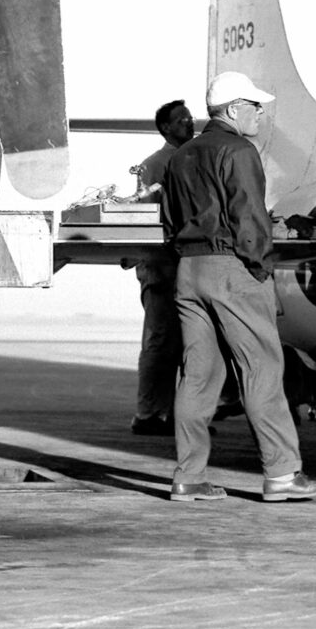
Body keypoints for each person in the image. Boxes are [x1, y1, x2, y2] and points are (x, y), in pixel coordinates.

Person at [160, 71, 316, 502]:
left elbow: (169, 222)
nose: (260, 113)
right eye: (255, 106)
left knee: (197, 376)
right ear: (234, 109)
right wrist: (259, 269)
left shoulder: (180, 157)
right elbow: (249, 218)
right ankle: (282, 474)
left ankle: (188, 477)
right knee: (262, 370)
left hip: (189, 269)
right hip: (231, 268)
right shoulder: (239, 150)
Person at [123, 98, 197, 435]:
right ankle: (150, 413)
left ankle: (177, 414)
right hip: (163, 269)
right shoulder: (154, 165)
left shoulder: (196, 159)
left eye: (189, 118)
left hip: (189, 268)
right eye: (181, 120)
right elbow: (142, 217)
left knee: (189, 346)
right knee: (160, 344)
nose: (189, 122)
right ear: (165, 127)